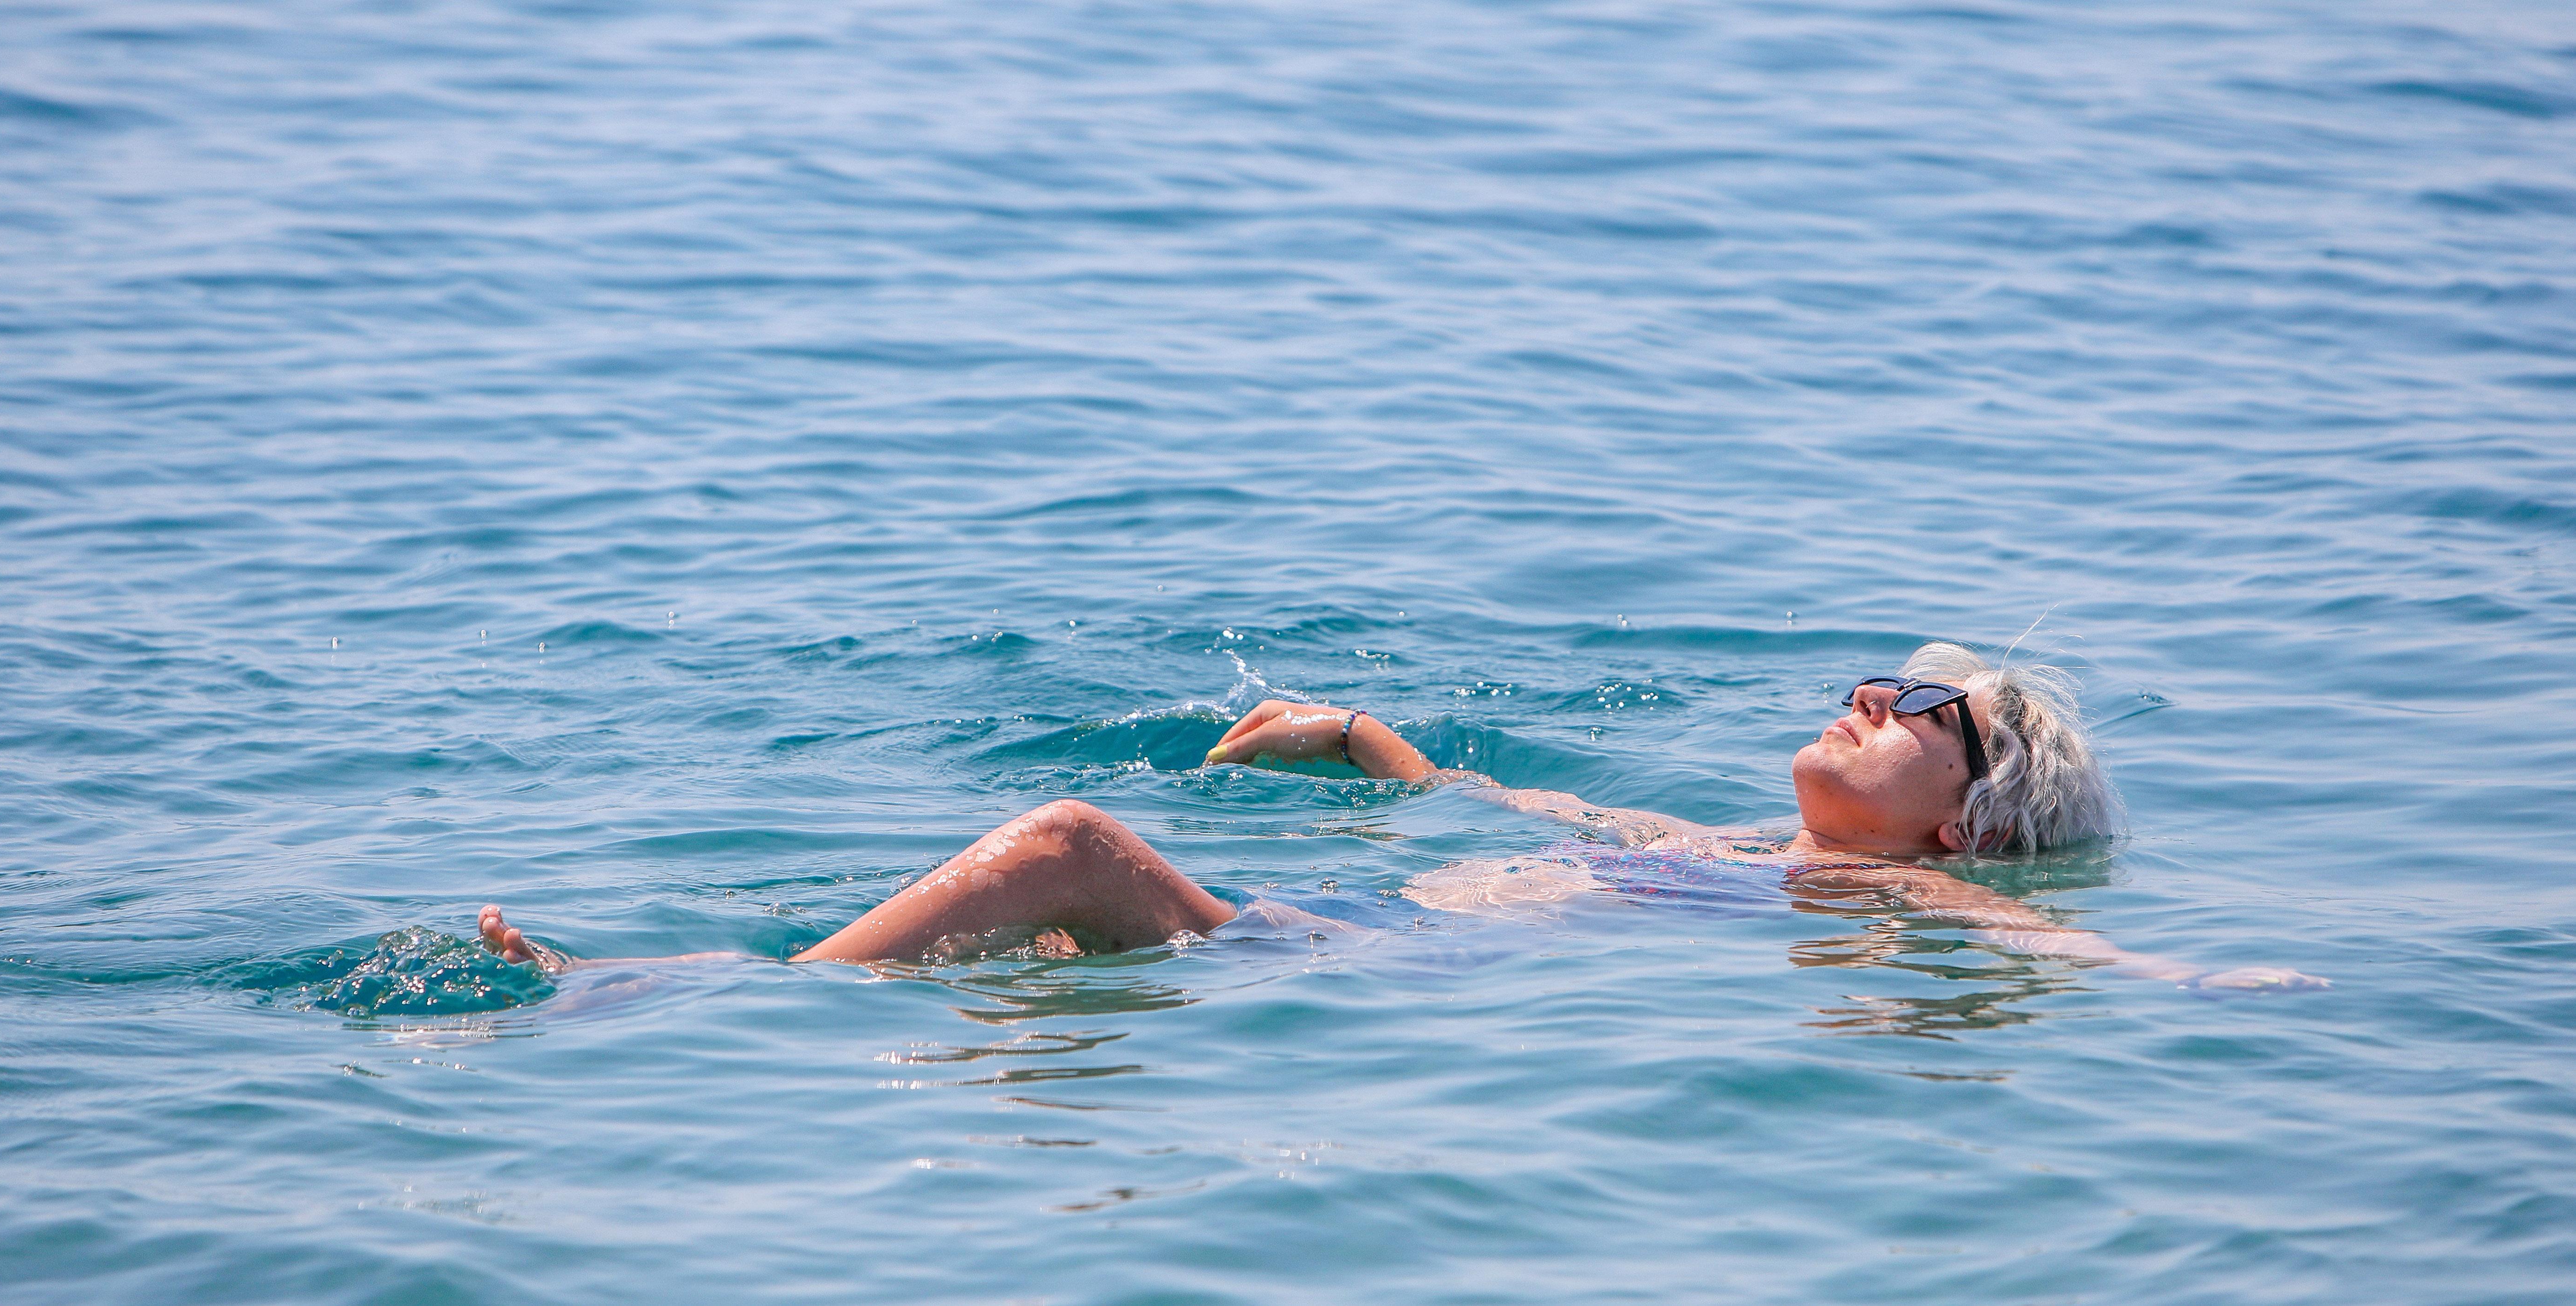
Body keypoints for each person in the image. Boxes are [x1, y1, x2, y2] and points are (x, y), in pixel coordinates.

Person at [476, 642, 2324, 992]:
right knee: (1022, 1003)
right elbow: (1499, 794)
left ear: (1967, 824)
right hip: (1311, 961)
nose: (1877, 699)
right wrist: (1356, 734)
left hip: (1319, 978)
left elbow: (2031, 946)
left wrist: (2196, 975)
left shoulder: (1890, 909)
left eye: (1934, 715)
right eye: (1882, 673)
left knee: (1055, 847)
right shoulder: (1721, 852)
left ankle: (660, 992)